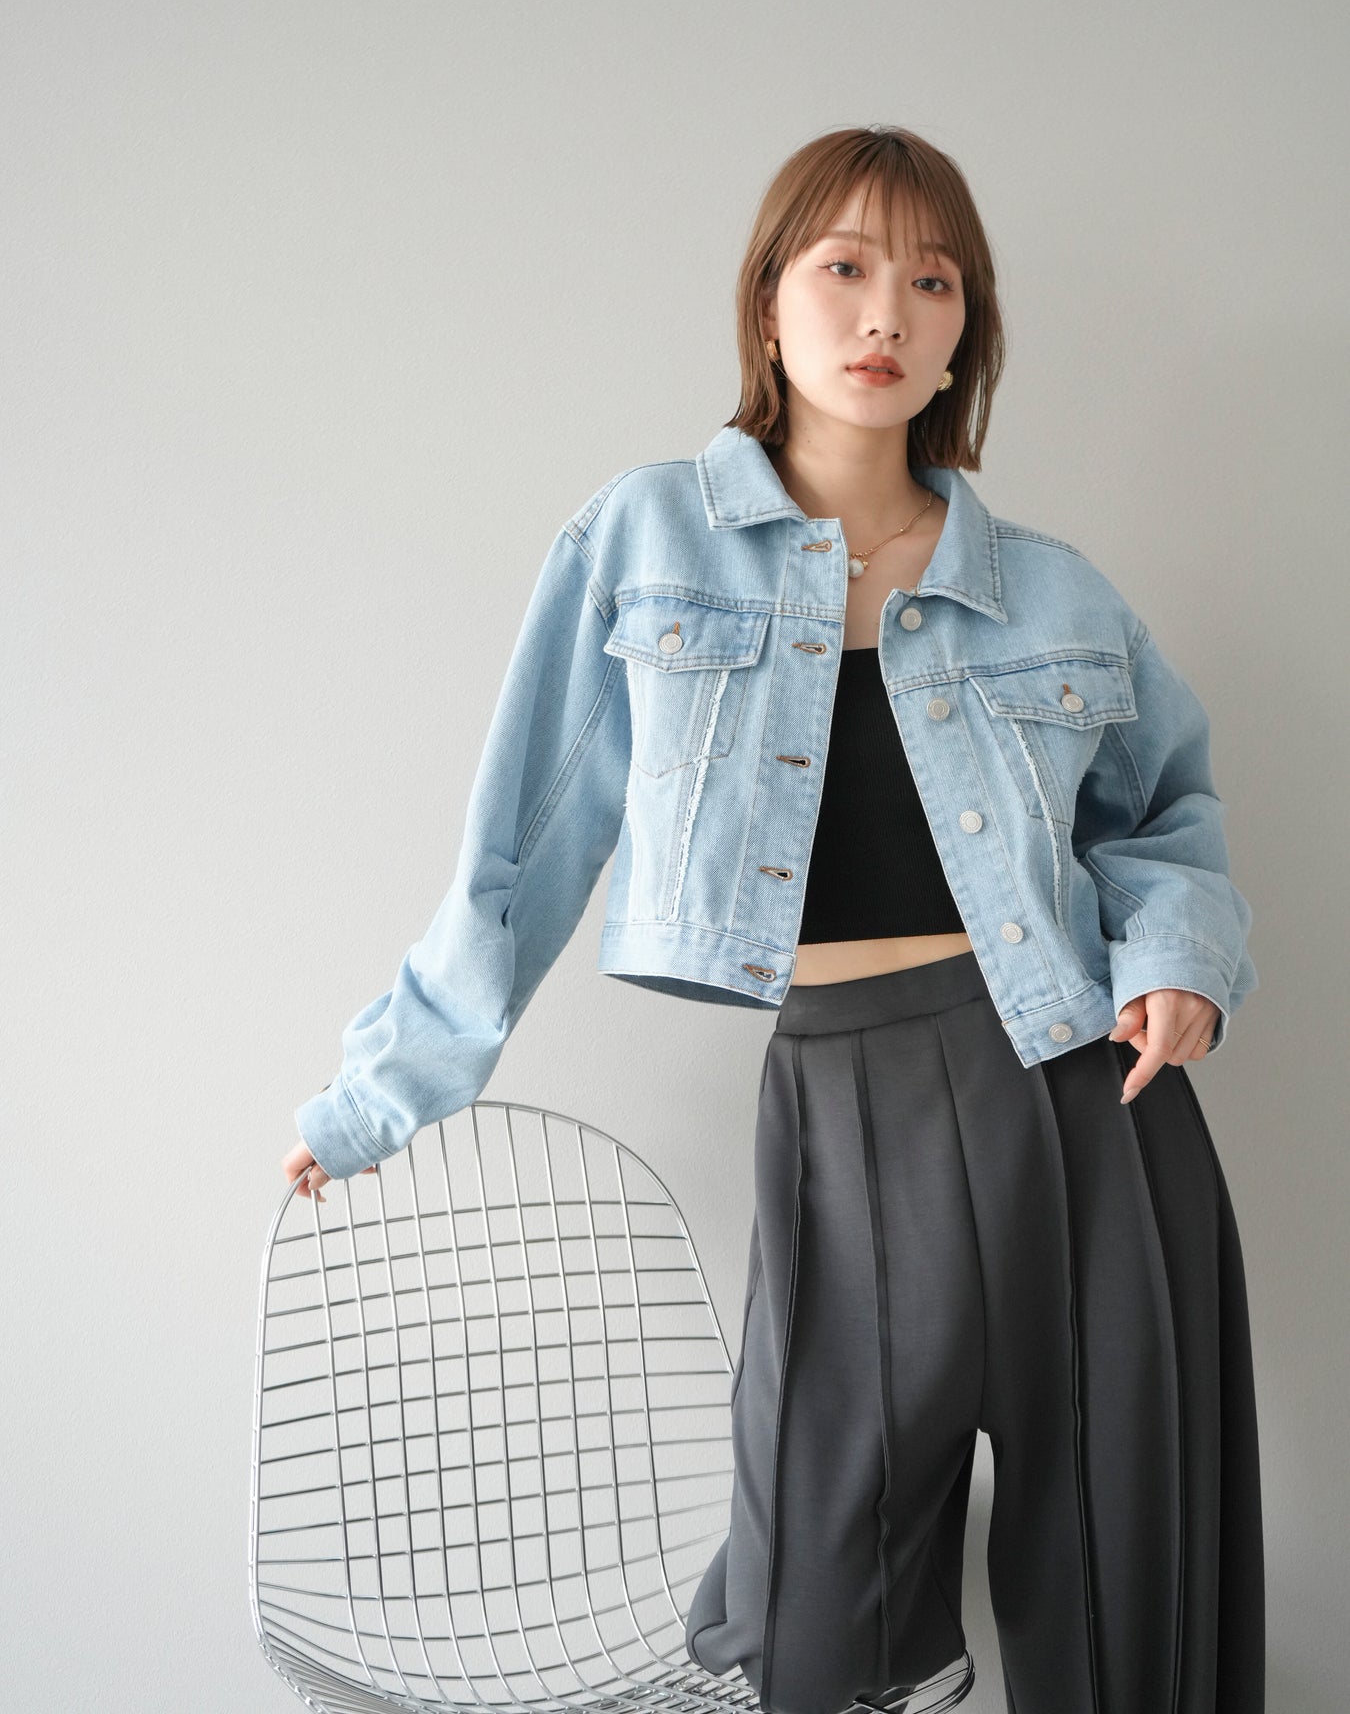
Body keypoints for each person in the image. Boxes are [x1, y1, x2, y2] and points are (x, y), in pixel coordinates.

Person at [280, 126, 1264, 1713]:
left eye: (931, 283)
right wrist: (386, 1090)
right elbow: (523, 841)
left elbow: (1159, 816)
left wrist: (1176, 967)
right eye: (844, 267)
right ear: (766, 304)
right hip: (839, 1085)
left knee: (1119, 1585)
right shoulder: (644, 539)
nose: (885, 314)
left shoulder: (1055, 591)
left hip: (1087, 1097)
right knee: (815, 1596)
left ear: (963, 330)